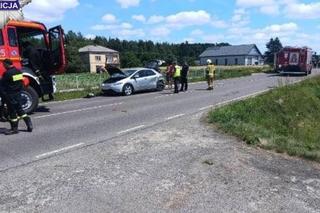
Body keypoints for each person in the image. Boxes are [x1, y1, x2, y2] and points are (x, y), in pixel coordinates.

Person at [1, 59, 33, 135]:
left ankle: (14, 129)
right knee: (20, 110)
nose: (3, 66)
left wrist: (3, 95)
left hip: (10, 95)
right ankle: (29, 124)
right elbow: (21, 83)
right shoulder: (18, 71)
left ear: (7, 64)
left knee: (12, 112)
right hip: (18, 94)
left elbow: (2, 85)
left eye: (4, 65)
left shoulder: (7, 73)